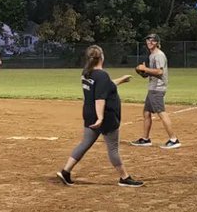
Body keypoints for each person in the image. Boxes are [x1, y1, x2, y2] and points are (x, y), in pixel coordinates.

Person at [57, 45, 143, 187]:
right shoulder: (102, 75)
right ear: (102, 57)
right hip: (104, 117)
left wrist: (121, 80)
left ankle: (66, 171)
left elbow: (103, 86)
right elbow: (100, 98)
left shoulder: (86, 73)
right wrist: (101, 118)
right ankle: (124, 177)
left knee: (85, 143)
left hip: (89, 113)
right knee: (113, 148)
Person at [130, 33, 181, 149]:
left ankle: (174, 139)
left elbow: (159, 72)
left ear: (157, 43)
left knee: (161, 112)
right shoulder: (152, 55)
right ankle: (145, 139)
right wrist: (143, 72)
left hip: (157, 88)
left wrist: (145, 69)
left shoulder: (158, 55)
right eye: (148, 40)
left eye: (152, 41)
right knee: (147, 112)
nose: (150, 43)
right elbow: (151, 73)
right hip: (152, 87)